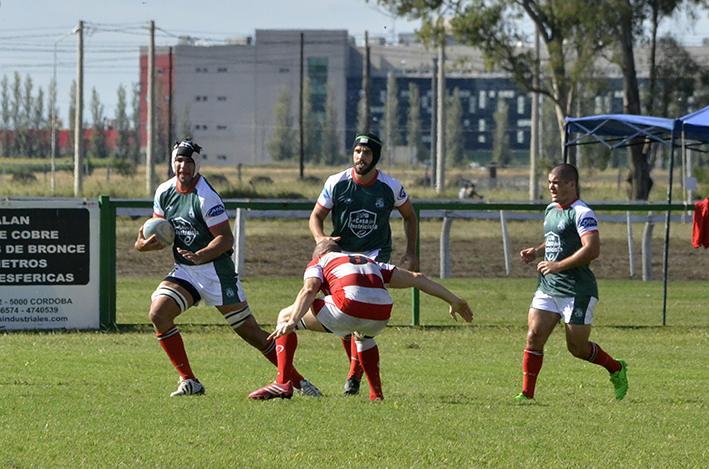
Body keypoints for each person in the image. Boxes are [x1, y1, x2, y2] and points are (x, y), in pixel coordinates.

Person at [135, 140, 321, 398]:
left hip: (216, 272)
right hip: (186, 270)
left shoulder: (206, 197)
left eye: (189, 161)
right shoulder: (164, 192)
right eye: (179, 160)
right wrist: (144, 244)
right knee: (158, 314)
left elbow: (225, 239)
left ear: (197, 165)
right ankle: (190, 381)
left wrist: (201, 255)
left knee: (252, 334)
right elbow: (160, 229)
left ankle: (299, 383)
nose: (183, 166)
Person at [247, 239, 473, 401]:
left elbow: (309, 290)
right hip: (381, 312)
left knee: (285, 315)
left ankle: (282, 383)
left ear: (318, 254)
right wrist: (453, 299)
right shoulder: (369, 260)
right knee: (363, 336)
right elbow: (417, 278)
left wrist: (292, 320)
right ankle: (377, 394)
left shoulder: (319, 262)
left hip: (347, 307)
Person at [309, 132, 419, 396]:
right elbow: (316, 216)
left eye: (367, 153)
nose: (360, 157)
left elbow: (410, 217)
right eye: (357, 152)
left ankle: (354, 375)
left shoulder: (391, 186)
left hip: (375, 256)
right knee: (346, 318)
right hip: (340, 259)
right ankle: (356, 374)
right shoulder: (337, 182)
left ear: (376, 157)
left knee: (363, 318)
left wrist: (412, 252)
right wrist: (321, 239)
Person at [516, 163, 628, 401]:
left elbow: (592, 249)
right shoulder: (550, 210)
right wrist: (536, 252)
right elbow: (556, 239)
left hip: (577, 290)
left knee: (577, 348)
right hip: (548, 286)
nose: (551, 187)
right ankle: (527, 395)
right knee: (533, 336)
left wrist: (557, 265)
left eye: (556, 182)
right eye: (549, 182)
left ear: (571, 184)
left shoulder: (582, 212)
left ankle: (616, 368)